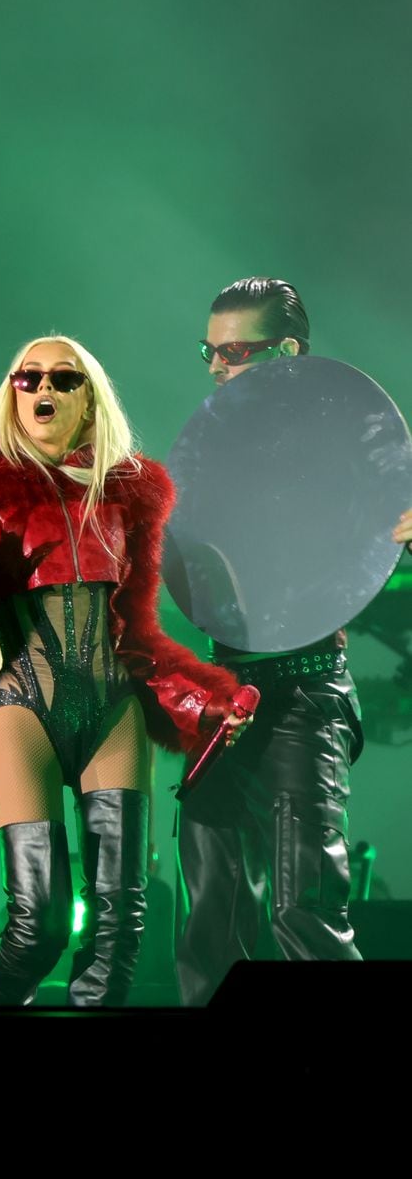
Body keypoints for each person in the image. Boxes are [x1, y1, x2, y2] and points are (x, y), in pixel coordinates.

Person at [0, 334, 250, 1007]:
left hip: (110, 705)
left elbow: (137, 638)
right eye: (26, 379)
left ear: (89, 400)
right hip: (25, 704)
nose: (43, 390)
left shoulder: (127, 497)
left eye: (62, 378)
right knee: (39, 926)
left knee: (121, 929)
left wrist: (196, 703)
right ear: (10, 394)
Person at [174, 277, 365, 1006]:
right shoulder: (209, 460)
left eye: (235, 351)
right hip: (223, 697)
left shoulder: (352, 448)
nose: (218, 366)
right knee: (212, 918)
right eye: (209, 352)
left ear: (286, 353)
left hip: (306, 690)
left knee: (301, 909)